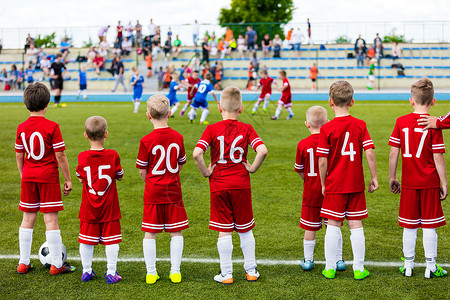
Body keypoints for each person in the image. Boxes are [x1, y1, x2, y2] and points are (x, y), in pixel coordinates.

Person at [192, 86, 268, 284]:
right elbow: (263, 151)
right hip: (241, 183)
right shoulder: (247, 129)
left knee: (224, 230)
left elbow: (196, 153)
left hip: (219, 183)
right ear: (241, 109)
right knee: (245, 229)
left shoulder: (211, 129)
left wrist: (206, 172)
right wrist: (252, 169)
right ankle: (251, 270)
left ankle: (226, 274)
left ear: (219, 108)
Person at [317, 80, 378, 280]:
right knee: (356, 225)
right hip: (356, 183)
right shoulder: (360, 125)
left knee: (333, 225)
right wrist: (374, 177)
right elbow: (369, 151)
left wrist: (324, 183)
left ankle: (330, 267)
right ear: (352, 102)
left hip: (335, 184)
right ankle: (359, 268)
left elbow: (322, 160)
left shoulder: (326, 129)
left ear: (330, 102)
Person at [388, 78, 447, 278]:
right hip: (430, 182)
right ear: (433, 101)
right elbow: (438, 156)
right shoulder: (434, 124)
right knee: (430, 226)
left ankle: (408, 265)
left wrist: (392, 177)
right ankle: (431, 267)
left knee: (409, 226)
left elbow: (393, 152)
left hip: (409, 183)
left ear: (411, 101)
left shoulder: (400, 122)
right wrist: (444, 183)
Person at [15, 82, 75, 275]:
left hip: (29, 176)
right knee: (50, 220)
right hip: (48, 177)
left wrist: (24, 175)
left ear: (26, 104)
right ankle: (57, 264)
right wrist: (68, 179)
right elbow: (61, 155)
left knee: (27, 219)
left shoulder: (21, 127)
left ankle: (23, 263)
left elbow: (19, 155)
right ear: (47, 103)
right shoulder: (52, 126)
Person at [136, 94, 188, 284]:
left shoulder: (146, 140)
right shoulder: (178, 137)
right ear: (170, 113)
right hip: (173, 190)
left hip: (153, 190)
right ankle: (175, 272)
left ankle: (151, 272)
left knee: (150, 232)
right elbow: (180, 163)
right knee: (176, 231)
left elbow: (143, 170)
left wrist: (150, 181)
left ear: (148, 116)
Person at [295, 106, 346, 271]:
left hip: (311, 192)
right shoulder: (332, 143)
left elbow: (300, 170)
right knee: (333, 225)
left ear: (307, 124)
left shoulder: (302, 144)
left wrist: (309, 180)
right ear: (328, 123)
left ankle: (308, 260)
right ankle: (338, 259)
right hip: (330, 190)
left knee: (310, 227)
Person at [76, 116, 124, 284]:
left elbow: (81, 178)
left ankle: (86, 270)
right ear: (106, 134)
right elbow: (119, 176)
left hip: (89, 206)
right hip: (109, 206)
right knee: (111, 239)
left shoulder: (82, 157)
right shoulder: (113, 155)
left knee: (86, 239)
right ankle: (111, 272)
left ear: (86, 135)